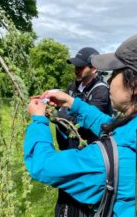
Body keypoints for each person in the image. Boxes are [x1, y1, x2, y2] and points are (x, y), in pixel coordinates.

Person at [24, 32, 137, 217]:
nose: (109, 80)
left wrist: (38, 120)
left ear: (135, 85)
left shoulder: (102, 159)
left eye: (116, 73)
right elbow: (111, 126)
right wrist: (71, 102)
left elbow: (43, 165)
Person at [54, 47, 112, 216]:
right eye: (75, 66)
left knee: (82, 200)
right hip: (70, 150)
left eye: (81, 66)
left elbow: (82, 122)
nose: (76, 70)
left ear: (94, 68)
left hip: (88, 154)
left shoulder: (101, 91)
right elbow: (63, 111)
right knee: (66, 196)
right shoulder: (73, 85)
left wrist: (60, 113)